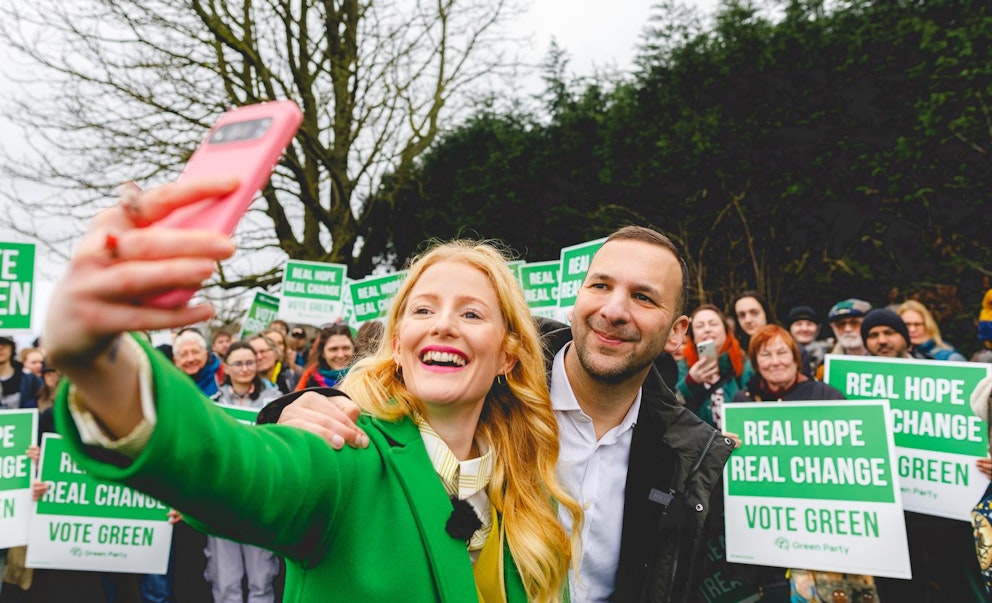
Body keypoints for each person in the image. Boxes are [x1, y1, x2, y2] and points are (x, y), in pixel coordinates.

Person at [44, 179, 580, 601]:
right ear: (397, 345)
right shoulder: (344, 450)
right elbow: (231, 467)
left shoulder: (527, 487)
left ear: (508, 355)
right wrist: (101, 361)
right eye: (423, 310)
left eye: (471, 313)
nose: (443, 325)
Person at [278, 225, 736, 602]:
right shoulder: (496, 386)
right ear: (577, 298)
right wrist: (298, 412)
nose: (614, 310)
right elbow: (391, 398)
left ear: (677, 333)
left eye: (643, 298)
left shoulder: (683, 454)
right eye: (600, 285)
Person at [858, 308, 985, 601]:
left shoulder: (942, 376)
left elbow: (974, 429)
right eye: (873, 335)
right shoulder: (852, 383)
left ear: (906, 338)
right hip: (891, 517)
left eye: (889, 332)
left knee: (956, 585)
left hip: (944, 514)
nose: (882, 340)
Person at [206, 341, 281, 603]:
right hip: (224, 500)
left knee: (262, 577)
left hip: (260, 499)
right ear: (226, 368)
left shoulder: (275, 402)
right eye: (237, 363)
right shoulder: (213, 404)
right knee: (226, 579)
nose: (245, 368)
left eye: (250, 362)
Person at [677, 304, 754, 430]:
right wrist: (690, 382)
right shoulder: (682, 366)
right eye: (700, 326)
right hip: (700, 440)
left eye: (713, 324)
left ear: (726, 331)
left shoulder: (743, 363)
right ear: (693, 336)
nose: (707, 329)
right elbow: (672, 405)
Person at [897, 299, 967, 362]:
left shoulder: (950, 358)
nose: (912, 329)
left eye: (917, 324)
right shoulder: (894, 356)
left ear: (928, 325)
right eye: (907, 325)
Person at [296, 324, 355, 389]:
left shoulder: (362, 379)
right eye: (333, 349)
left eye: (346, 348)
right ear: (323, 353)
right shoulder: (309, 381)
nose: (340, 355)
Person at [785, 305, 831, 377]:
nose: (804, 329)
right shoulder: (781, 354)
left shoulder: (831, 352)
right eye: (798, 324)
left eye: (809, 324)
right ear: (790, 329)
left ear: (818, 329)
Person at [173, 329, 222, 396]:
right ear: (176, 361)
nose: (190, 359)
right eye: (184, 354)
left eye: (195, 352)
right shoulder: (169, 385)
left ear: (206, 354)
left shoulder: (222, 374)